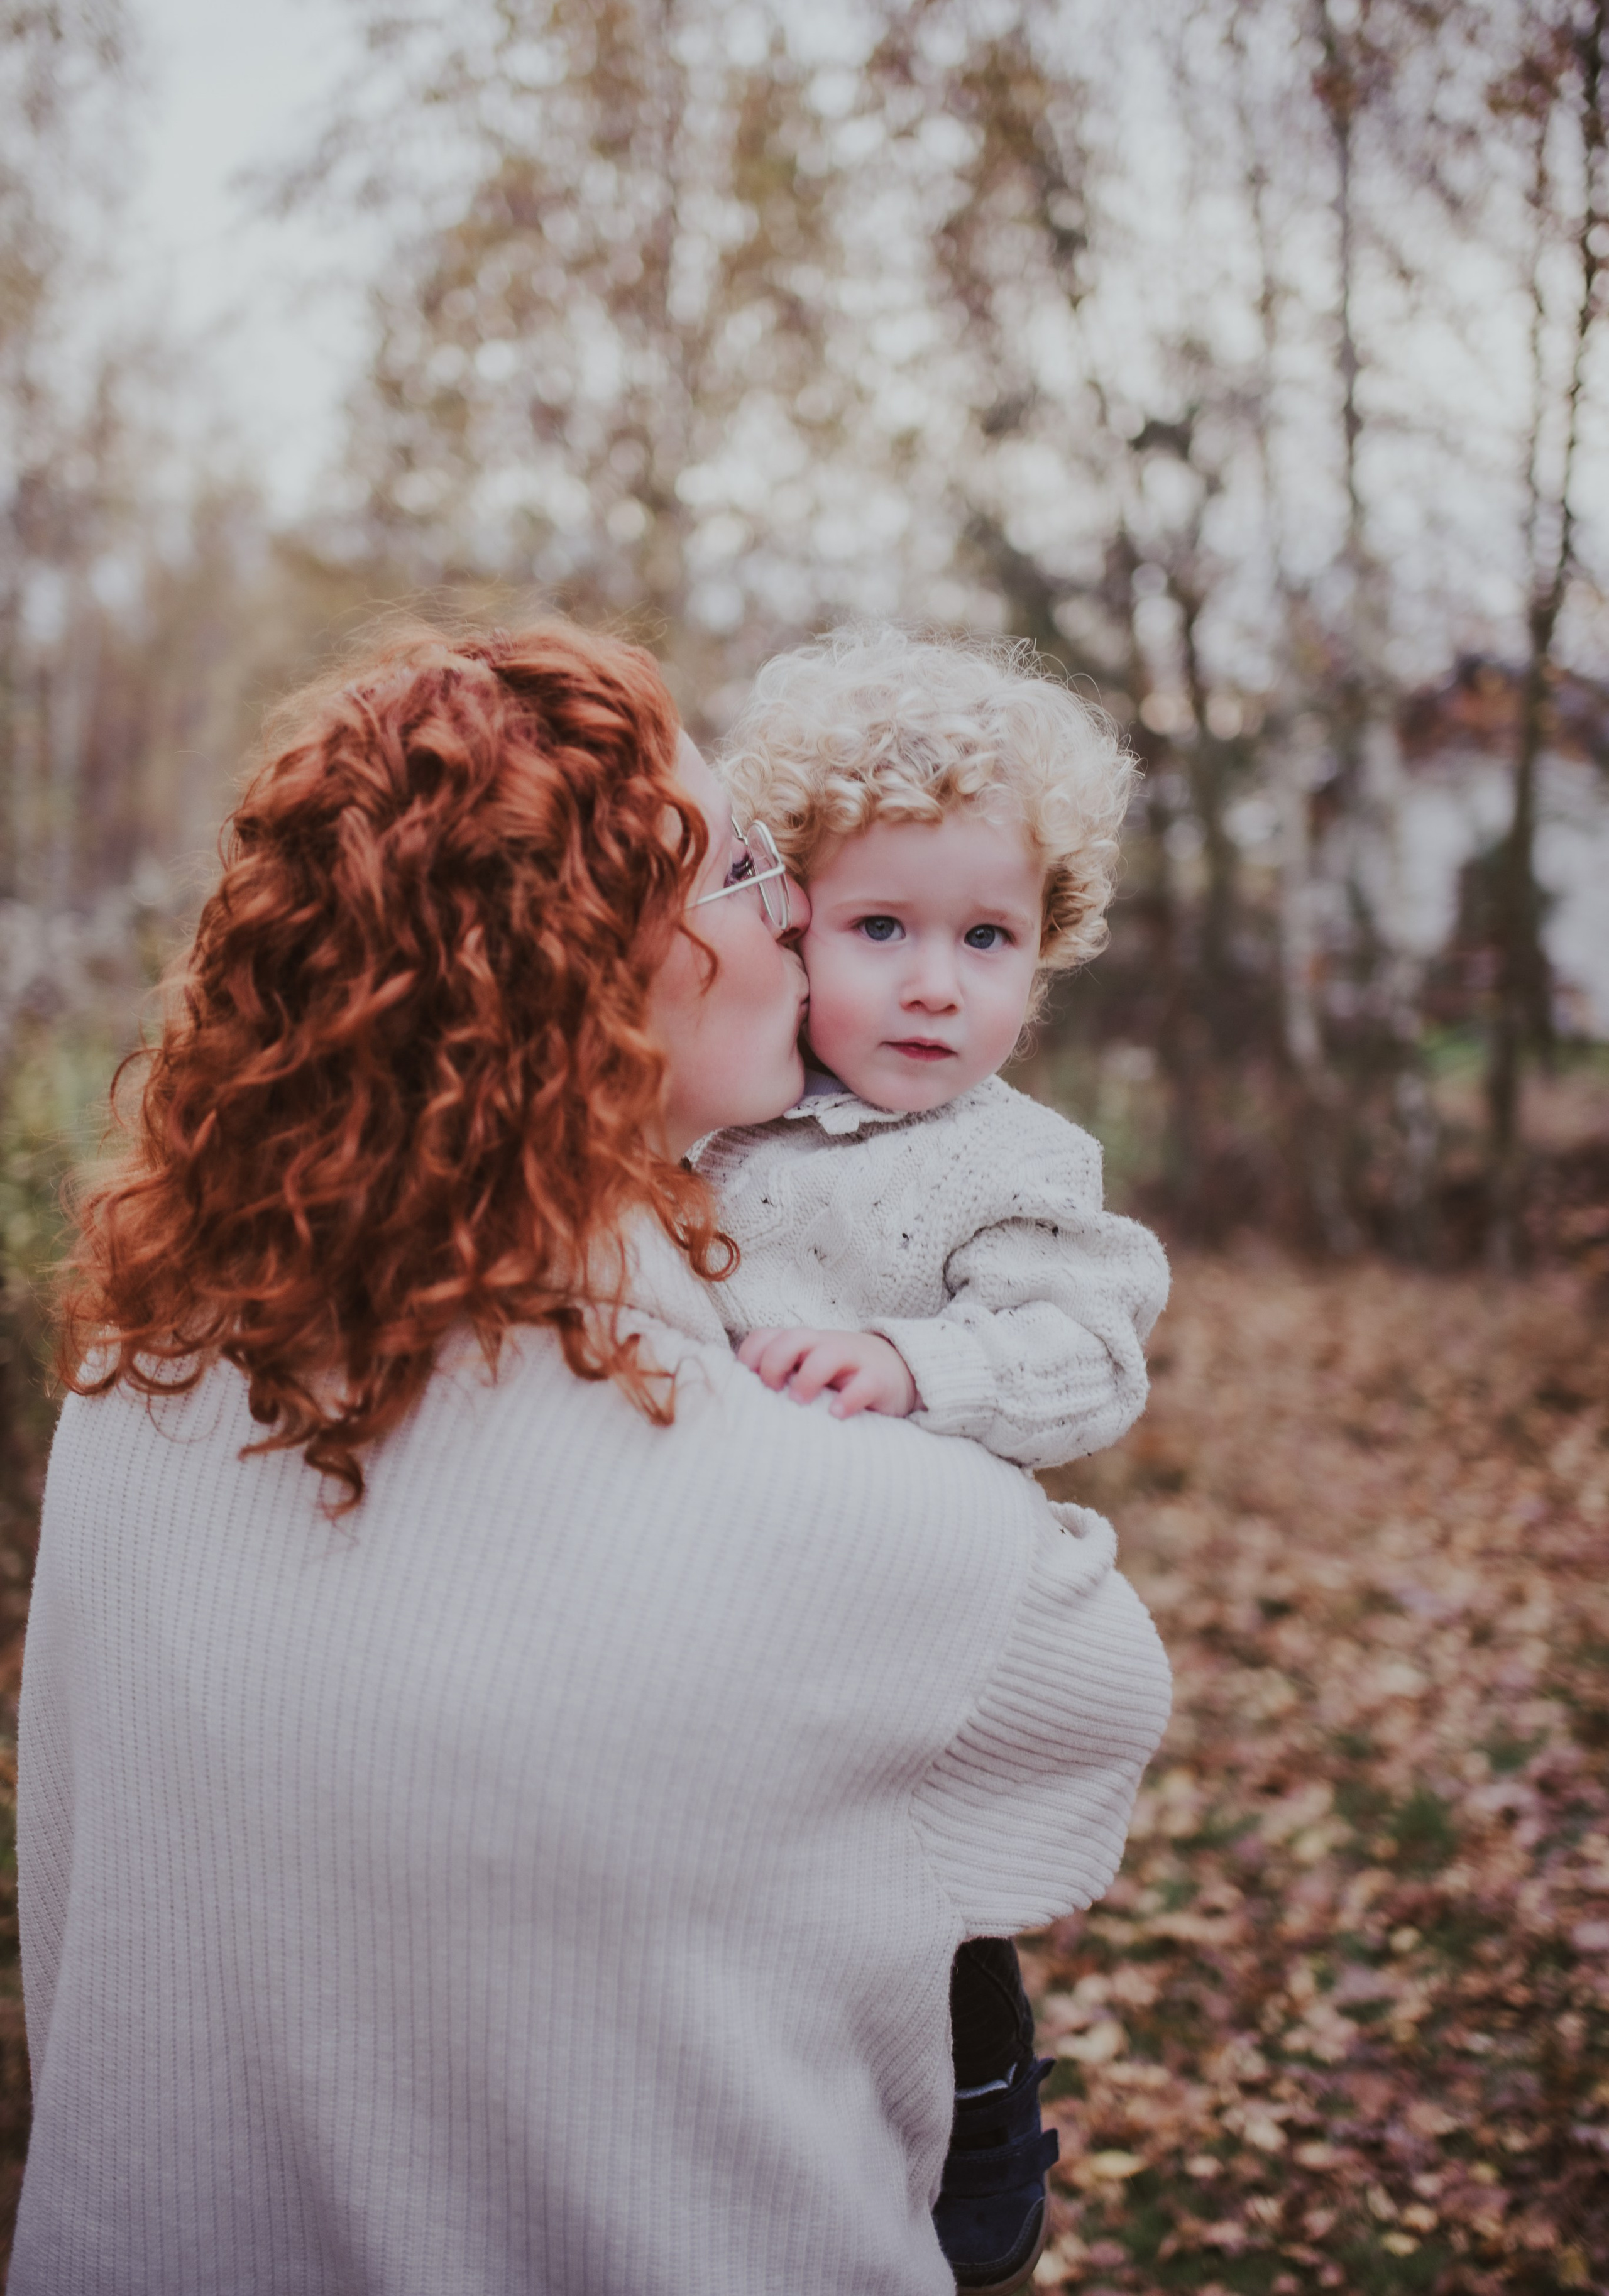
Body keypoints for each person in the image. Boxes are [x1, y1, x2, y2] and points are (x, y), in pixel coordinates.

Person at [14, 618, 1170, 2296]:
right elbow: (1081, 1683)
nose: (789, 912)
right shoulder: (838, 1527)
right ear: (595, 973)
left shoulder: (148, 1377)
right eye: (741, 875)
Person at [697, 623, 1169, 2290]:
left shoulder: (1014, 1161)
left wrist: (920, 1362)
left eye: (991, 935)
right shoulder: (716, 1116)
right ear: (790, 924)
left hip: (905, 1622)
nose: (934, 982)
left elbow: (1086, 1353)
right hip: (715, 1623)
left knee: (929, 1896)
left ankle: (981, 2122)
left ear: (1048, 950)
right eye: (881, 927)